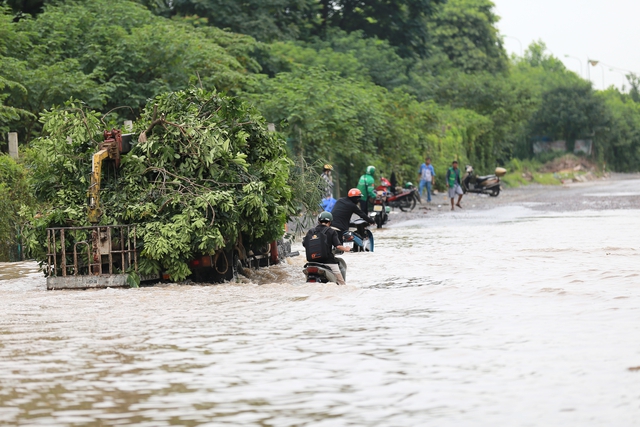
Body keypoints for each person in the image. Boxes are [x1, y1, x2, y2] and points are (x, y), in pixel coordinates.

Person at [302, 211, 351, 285]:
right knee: (341, 284)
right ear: (330, 222)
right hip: (328, 262)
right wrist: (347, 249)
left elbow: (305, 244)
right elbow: (338, 246)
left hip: (312, 263)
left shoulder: (310, 231)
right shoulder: (331, 231)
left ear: (319, 221)